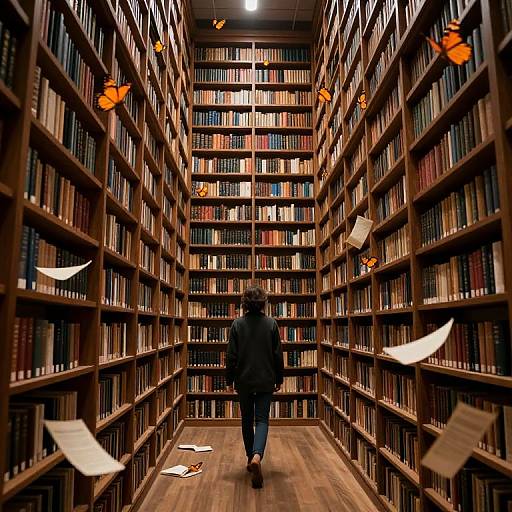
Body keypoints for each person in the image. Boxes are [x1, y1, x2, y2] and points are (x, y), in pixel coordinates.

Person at [226, 285, 284, 489]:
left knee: (246, 420)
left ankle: (250, 456)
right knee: (262, 420)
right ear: (263, 303)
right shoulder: (271, 324)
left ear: (244, 304)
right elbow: (277, 355)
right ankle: (257, 457)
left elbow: (231, 356)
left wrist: (228, 379)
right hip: (265, 379)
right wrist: (279, 378)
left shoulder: (237, 325)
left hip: (244, 380)